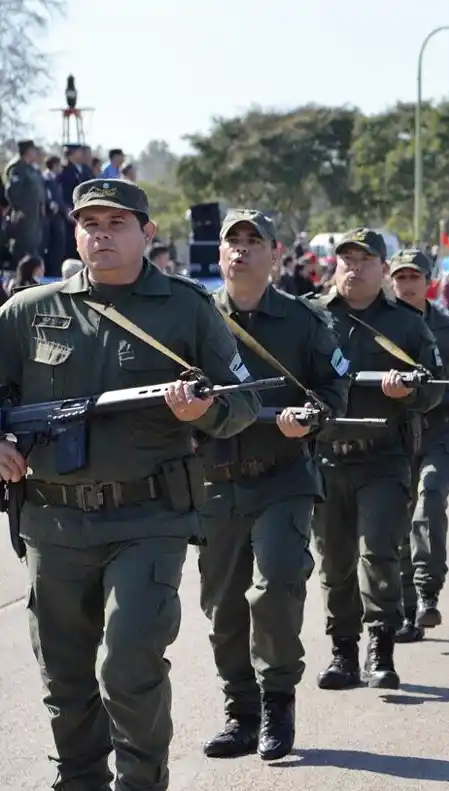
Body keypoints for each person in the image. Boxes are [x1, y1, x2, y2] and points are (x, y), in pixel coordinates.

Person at [0, 178, 261, 791]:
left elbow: (245, 399)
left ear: (147, 233)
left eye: (116, 223)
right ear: (75, 234)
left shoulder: (185, 307)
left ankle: (141, 782)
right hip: (53, 522)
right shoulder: (27, 311)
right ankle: (80, 779)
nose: (101, 235)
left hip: (148, 518)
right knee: (65, 676)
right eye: (89, 224)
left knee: (128, 665)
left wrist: (204, 412)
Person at [198, 209, 352, 761]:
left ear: (275, 254)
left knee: (276, 587)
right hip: (215, 480)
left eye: (253, 241)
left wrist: (310, 418)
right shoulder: (196, 317)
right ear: (220, 253)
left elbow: (334, 389)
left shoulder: (303, 320)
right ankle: (240, 712)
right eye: (232, 241)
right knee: (223, 608)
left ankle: (276, 701)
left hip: (284, 475)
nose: (241, 249)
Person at [306, 228, 443, 692]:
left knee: (378, 551)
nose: (354, 268)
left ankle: (380, 648)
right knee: (334, 562)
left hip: (383, 458)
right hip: (326, 459)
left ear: (383, 269)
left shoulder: (406, 324)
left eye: (365, 260)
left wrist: (409, 392)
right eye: (347, 259)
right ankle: (342, 652)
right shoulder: (311, 316)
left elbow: (434, 387)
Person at [387, 249, 449, 642]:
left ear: (429, 282)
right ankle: (408, 610)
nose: (407, 285)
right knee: (399, 520)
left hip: (441, 434)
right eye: (400, 277)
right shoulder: (377, 326)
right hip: (394, 438)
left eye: (414, 277)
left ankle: (427, 593)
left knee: (429, 501)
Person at [4, 140, 46, 261]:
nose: (36, 153)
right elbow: (12, 191)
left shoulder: (31, 169)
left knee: (33, 247)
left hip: (34, 215)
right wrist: (19, 209)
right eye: (33, 150)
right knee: (21, 248)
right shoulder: (17, 168)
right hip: (23, 216)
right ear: (28, 152)